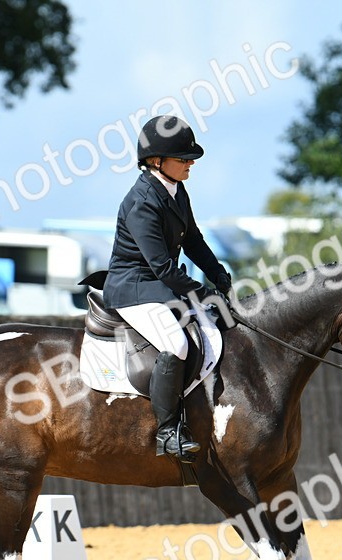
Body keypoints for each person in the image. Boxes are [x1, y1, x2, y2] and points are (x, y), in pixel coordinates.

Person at [103, 115, 233, 462]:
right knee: (175, 343)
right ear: (156, 161)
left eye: (190, 158)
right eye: (183, 159)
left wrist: (217, 273)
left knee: (219, 326)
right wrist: (202, 292)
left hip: (159, 285)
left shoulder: (175, 190)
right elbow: (162, 267)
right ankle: (167, 432)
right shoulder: (141, 201)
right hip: (133, 287)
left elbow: (192, 240)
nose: (190, 164)